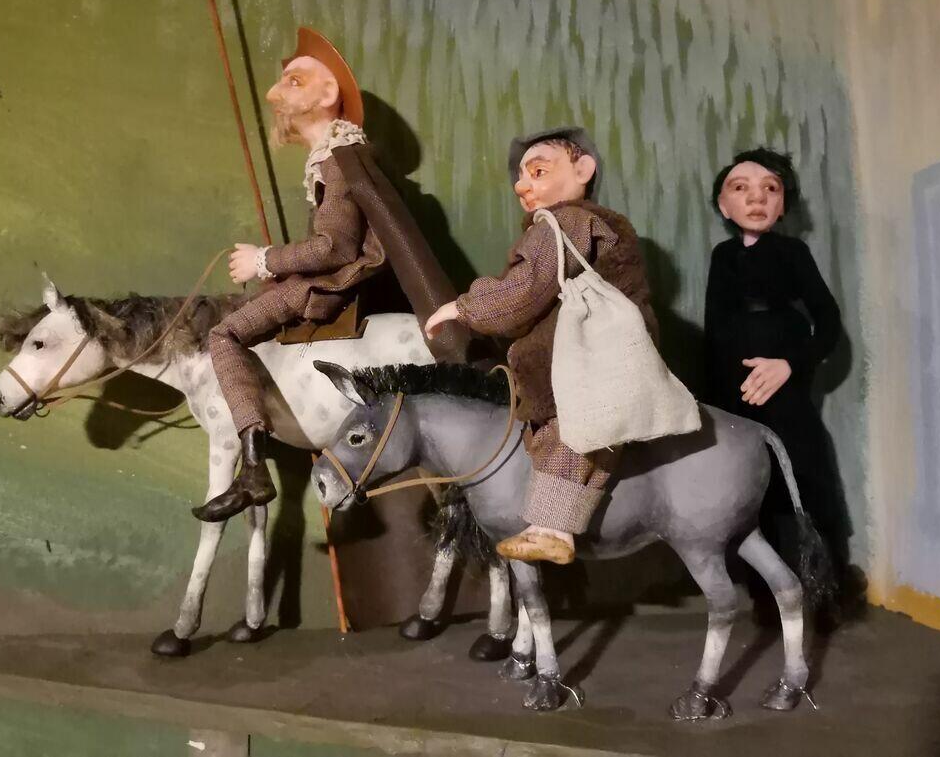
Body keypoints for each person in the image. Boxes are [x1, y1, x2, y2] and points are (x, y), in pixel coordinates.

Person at [194, 28, 469, 523]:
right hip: (334, 280)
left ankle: (253, 469)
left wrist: (265, 260)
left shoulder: (339, 160)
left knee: (224, 334)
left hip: (328, 286)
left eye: (294, 81)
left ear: (327, 95)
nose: (276, 94)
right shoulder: (335, 158)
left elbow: (334, 247)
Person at [426, 128, 657, 565]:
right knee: (557, 434)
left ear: (583, 170)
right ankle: (548, 526)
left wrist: (463, 307)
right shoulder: (569, 223)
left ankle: (553, 529)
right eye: (520, 177)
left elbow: (526, 289)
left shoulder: (566, 222)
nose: (522, 186)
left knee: (575, 429)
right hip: (586, 357)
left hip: (590, 359)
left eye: (538, 172)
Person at [704, 148, 851, 618]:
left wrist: (789, 364)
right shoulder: (723, 257)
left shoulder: (793, 253)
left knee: (805, 478)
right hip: (738, 397)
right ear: (724, 206)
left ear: (783, 204)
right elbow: (715, 327)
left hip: (787, 393)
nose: (757, 198)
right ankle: (767, 595)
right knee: (753, 487)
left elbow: (828, 321)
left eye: (771, 189)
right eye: (741, 188)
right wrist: (719, 399)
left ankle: (824, 590)